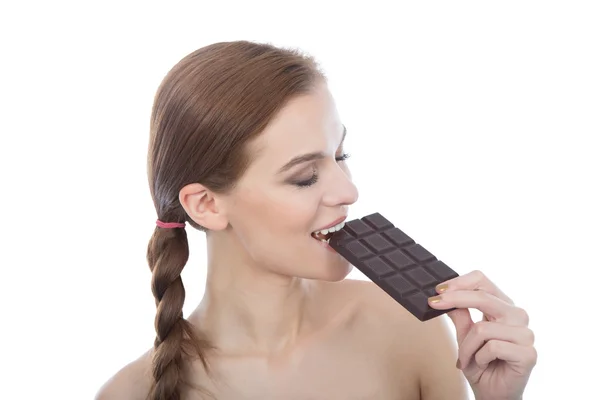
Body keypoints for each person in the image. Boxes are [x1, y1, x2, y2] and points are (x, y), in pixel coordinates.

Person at [96, 40, 537, 400]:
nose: (349, 192)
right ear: (207, 204)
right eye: (305, 177)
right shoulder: (131, 394)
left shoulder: (402, 327)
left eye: (340, 156)